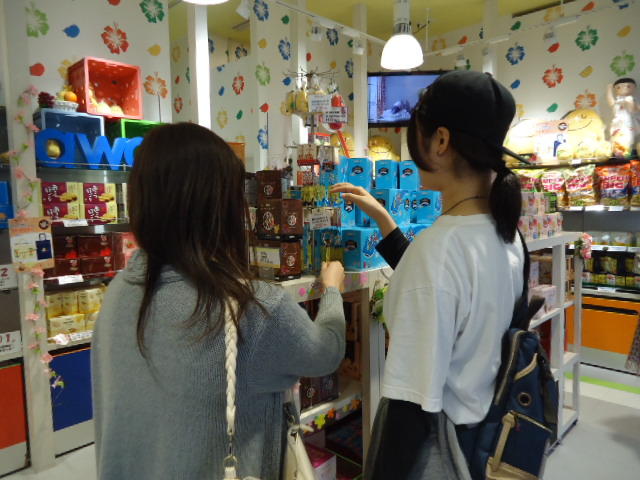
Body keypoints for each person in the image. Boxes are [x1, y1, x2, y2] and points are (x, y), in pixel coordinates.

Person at [92, 123, 346, 480]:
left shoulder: (121, 289)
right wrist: (332, 289)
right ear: (222, 207)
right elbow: (325, 352)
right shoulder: (252, 306)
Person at [331, 70, 526, 479]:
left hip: (440, 451)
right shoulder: (507, 236)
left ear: (440, 141)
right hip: (482, 438)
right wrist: (384, 219)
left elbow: (409, 408)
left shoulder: (438, 251)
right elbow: (446, 290)